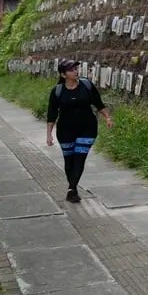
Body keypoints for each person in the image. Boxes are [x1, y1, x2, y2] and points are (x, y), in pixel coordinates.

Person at [47, 60, 113, 203]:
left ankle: (71, 188)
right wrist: (49, 135)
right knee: (69, 160)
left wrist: (107, 117)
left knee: (80, 157)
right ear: (63, 75)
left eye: (76, 68)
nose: (75, 71)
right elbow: (51, 114)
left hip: (87, 128)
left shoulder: (86, 85)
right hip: (65, 130)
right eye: (71, 70)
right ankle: (73, 189)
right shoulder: (57, 91)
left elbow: (98, 103)